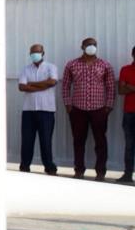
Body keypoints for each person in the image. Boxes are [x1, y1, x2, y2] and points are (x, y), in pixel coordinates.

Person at [62, 37, 116, 181]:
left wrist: (108, 106)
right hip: (78, 109)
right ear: (82, 47)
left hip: (99, 109)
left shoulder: (105, 65)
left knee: (100, 141)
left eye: (94, 45)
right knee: (78, 140)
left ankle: (100, 172)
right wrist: (68, 105)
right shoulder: (72, 64)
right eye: (88, 45)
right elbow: (66, 85)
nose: (91, 47)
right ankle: (79, 170)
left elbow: (111, 87)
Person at [17, 44, 59, 175]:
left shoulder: (51, 67)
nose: (35, 55)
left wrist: (32, 84)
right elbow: (22, 87)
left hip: (46, 110)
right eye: (32, 52)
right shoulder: (25, 69)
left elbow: (52, 82)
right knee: (27, 140)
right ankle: (24, 166)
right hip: (28, 110)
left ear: (43, 53)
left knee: (45, 140)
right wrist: (43, 84)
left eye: (37, 52)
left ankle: (49, 167)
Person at [118, 46, 135, 183]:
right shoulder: (125, 69)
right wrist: (126, 87)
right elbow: (121, 90)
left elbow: (126, 88)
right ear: (132, 55)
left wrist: (131, 87)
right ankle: (128, 174)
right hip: (129, 113)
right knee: (129, 145)